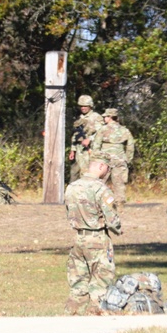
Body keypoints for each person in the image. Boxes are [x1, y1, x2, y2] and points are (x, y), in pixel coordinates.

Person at [64, 151, 121, 314]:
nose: (108, 172)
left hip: (78, 238)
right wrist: (118, 228)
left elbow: (70, 212)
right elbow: (112, 219)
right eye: (108, 169)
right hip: (98, 238)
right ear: (101, 166)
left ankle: (72, 313)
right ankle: (95, 314)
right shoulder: (101, 189)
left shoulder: (72, 187)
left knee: (78, 283)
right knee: (101, 282)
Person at [92, 108, 135, 209]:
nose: (104, 118)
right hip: (120, 159)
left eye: (105, 116)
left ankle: (99, 204)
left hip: (104, 160)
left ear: (110, 117)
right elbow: (130, 146)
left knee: (100, 182)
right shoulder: (125, 130)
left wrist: (95, 159)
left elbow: (96, 145)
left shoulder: (102, 130)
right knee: (119, 184)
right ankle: (120, 206)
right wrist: (128, 159)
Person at [69, 95, 102, 182]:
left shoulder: (96, 117)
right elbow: (75, 134)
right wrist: (73, 150)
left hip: (89, 149)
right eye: (81, 106)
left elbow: (101, 132)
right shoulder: (79, 118)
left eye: (85, 106)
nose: (83, 108)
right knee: (74, 173)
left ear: (90, 106)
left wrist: (90, 139)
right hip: (78, 149)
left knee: (87, 173)